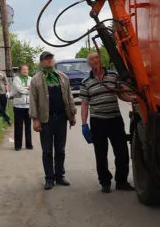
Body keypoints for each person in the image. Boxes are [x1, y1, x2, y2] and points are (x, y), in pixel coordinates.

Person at [80, 52, 134, 193]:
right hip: (98, 122)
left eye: (96, 58)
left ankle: (121, 181)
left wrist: (133, 99)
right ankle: (105, 182)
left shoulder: (113, 76)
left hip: (115, 119)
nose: (94, 61)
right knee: (101, 154)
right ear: (89, 64)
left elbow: (121, 93)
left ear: (101, 60)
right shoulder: (85, 82)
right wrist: (84, 124)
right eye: (91, 59)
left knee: (121, 152)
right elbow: (85, 104)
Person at [30, 52, 77, 190]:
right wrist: (35, 120)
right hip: (46, 120)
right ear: (41, 62)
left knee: (60, 149)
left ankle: (60, 176)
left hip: (61, 118)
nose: (49, 60)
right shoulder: (36, 80)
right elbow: (33, 101)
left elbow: (69, 96)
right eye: (46, 59)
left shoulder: (62, 77)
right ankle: (49, 179)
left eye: (51, 58)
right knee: (47, 151)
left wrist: (72, 115)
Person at [12, 64, 33, 151]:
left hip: (28, 106)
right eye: (24, 69)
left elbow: (33, 88)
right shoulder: (16, 79)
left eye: (27, 69)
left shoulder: (31, 79)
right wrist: (27, 89)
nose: (25, 71)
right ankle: (18, 146)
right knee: (18, 127)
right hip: (18, 106)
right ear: (20, 70)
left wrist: (27, 89)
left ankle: (28, 145)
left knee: (28, 126)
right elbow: (18, 89)